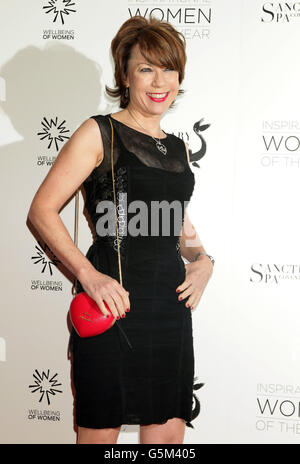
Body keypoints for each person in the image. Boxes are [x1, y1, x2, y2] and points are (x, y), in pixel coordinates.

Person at [27, 15, 214, 444]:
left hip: (169, 310)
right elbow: (41, 211)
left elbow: (173, 219)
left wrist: (203, 261)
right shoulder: (100, 132)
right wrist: (88, 277)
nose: (158, 80)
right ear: (125, 77)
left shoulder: (179, 146)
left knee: (168, 437)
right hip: (112, 306)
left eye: (168, 68)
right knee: (100, 433)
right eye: (146, 68)